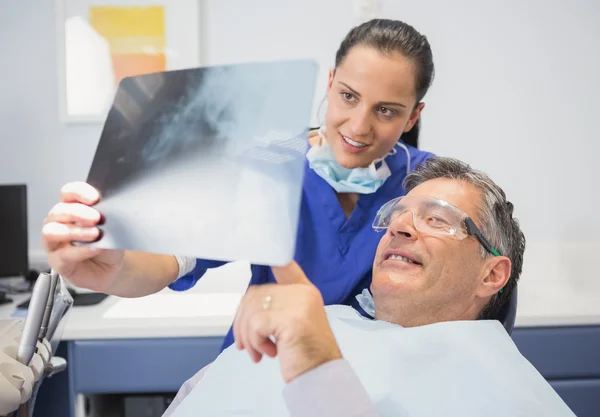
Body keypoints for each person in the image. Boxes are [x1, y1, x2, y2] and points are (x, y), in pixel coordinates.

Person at [41, 18, 436, 352]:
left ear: (413, 116)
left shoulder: (431, 185)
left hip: (367, 376)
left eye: (386, 110)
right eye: (348, 96)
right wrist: (112, 269)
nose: (358, 126)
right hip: (262, 368)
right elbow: (172, 259)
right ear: (330, 82)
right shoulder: (267, 162)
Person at [162, 157, 575, 417]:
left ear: (491, 275)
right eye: (396, 215)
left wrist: (315, 364)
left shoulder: (502, 389)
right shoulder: (323, 321)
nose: (399, 226)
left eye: (436, 219)